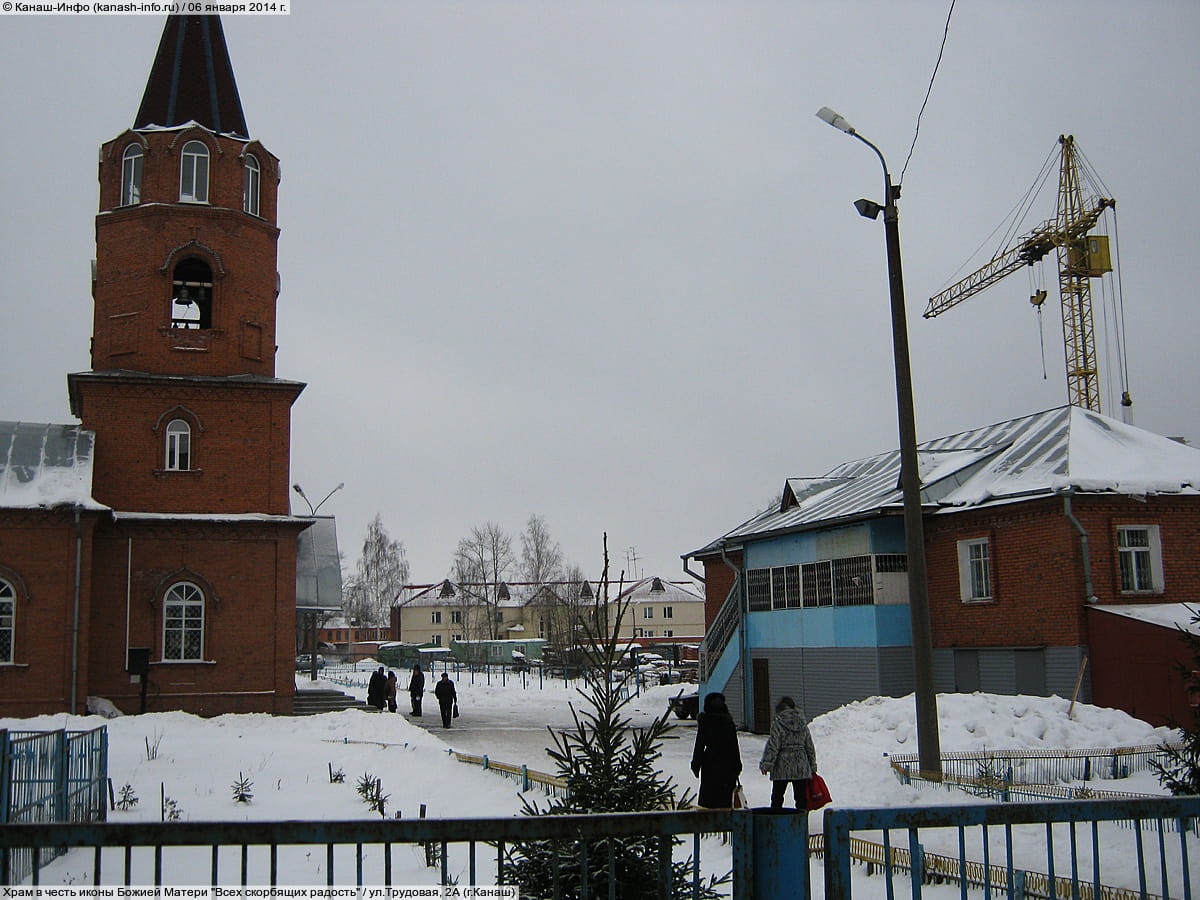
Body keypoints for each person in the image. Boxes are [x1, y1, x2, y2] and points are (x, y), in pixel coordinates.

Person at [758, 696, 818, 810]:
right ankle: (801, 822)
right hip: (801, 762)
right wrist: (812, 764)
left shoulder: (778, 723)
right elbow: (809, 745)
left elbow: (773, 745)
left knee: (777, 797)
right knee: (801, 798)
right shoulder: (802, 722)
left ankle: (775, 820)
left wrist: (767, 763)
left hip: (782, 764)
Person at [690, 692, 742, 808]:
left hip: (710, 763)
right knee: (725, 798)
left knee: (708, 798)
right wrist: (737, 766)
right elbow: (734, 746)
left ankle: (708, 821)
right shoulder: (728, 722)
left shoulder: (705, 721)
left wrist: (696, 764)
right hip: (727, 764)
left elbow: (699, 745)